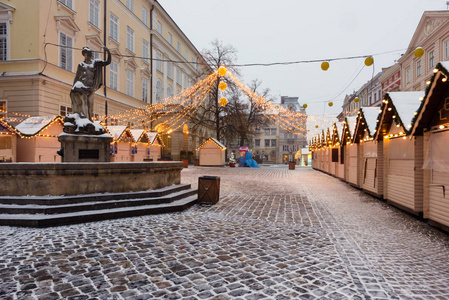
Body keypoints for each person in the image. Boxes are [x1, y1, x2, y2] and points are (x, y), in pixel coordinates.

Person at [70, 46, 111, 120]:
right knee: (83, 102)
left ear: (90, 55)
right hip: (82, 86)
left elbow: (108, 62)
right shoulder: (81, 65)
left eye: (88, 55)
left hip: (91, 87)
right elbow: (77, 76)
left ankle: (89, 120)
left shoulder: (95, 63)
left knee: (90, 106)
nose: (86, 56)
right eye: (85, 55)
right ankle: (83, 118)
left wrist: (108, 52)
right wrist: (73, 86)